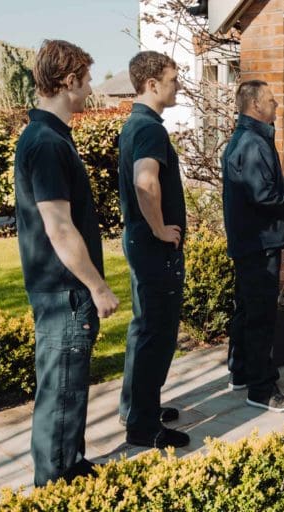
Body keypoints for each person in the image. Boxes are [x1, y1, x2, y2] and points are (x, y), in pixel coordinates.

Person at [14, 39, 120, 486]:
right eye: (88, 79)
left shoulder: (50, 137)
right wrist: (97, 286)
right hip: (65, 291)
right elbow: (58, 228)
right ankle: (55, 487)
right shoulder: (45, 142)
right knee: (60, 391)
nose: (91, 88)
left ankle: (72, 466)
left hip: (62, 288)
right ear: (69, 80)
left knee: (70, 389)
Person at [117, 51, 190, 448]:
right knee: (156, 334)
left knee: (144, 328)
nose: (177, 85)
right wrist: (162, 229)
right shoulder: (149, 130)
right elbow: (146, 183)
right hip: (152, 246)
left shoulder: (135, 124)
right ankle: (144, 427)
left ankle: (137, 406)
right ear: (152, 84)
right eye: (173, 78)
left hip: (140, 243)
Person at [222, 80, 284, 412]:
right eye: (271, 101)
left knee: (246, 311)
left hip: (247, 242)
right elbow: (264, 198)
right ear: (255, 105)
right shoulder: (254, 143)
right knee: (261, 317)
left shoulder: (241, 139)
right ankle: (262, 390)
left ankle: (240, 372)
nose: (276, 106)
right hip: (260, 243)